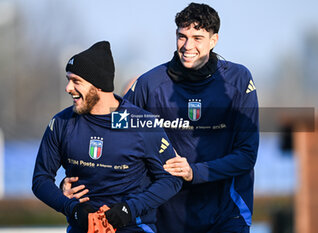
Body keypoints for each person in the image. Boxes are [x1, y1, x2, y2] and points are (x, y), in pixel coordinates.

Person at [62, 3, 259, 233]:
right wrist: (75, 179)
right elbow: (110, 134)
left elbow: (246, 155)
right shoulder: (150, 84)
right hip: (167, 213)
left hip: (227, 212)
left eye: (197, 38)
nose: (188, 46)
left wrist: (194, 171)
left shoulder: (238, 80)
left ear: (213, 40)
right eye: (182, 36)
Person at [32, 41, 182, 233]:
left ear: (99, 85)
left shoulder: (140, 123)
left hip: (133, 227)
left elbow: (171, 180)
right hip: (81, 227)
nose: (68, 88)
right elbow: (41, 179)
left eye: (76, 81)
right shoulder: (62, 122)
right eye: (68, 79)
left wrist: (129, 210)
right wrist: (73, 209)